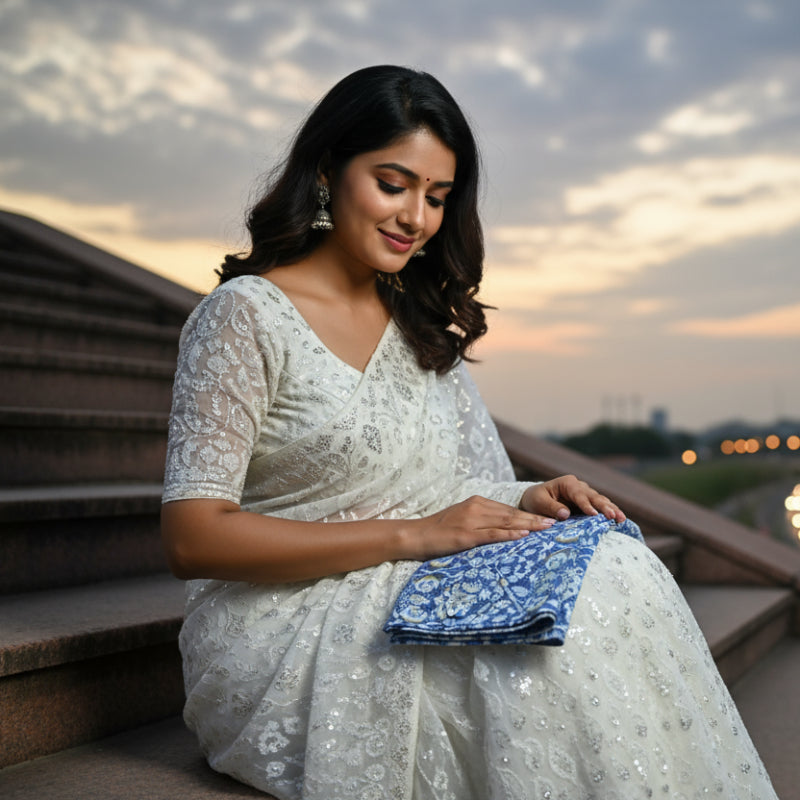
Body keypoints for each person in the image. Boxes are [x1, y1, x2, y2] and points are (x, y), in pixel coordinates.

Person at [161, 65, 776, 800]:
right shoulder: (244, 317)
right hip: (282, 620)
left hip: (411, 573)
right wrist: (413, 535)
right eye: (393, 184)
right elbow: (194, 536)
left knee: (617, 569)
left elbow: (447, 484)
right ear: (327, 172)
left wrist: (530, 492)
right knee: (537, 661)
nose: (415, 217)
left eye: (437, 197)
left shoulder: (413, 321)